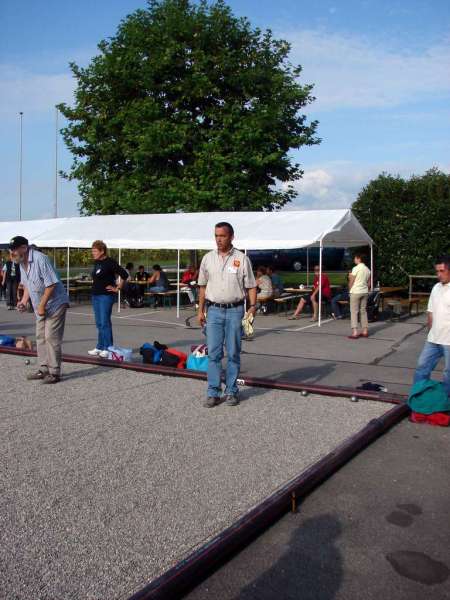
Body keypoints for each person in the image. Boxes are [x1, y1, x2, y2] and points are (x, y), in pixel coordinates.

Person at [197, 222, 257, 407]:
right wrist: (200, 310)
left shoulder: (242, 258)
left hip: (235, 311)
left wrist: (252, 307)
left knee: (233, 353)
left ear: (231, 236)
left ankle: (231, 391)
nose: (218, 239)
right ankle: (213, 392)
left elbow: (251, 285)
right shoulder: (207, 258)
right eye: (216, 235)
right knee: (214, 354)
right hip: (213, 311)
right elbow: (202, 286)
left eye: (222, 236)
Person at [11, 236, 69, 383]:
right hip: (40, 306)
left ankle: (54, 372)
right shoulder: (21, 262)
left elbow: (51, 284)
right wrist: (23, 301)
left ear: (24, 248)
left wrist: (42, 305)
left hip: (55, 304)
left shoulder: (40, 259)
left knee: (51, 337)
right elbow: (28, 285)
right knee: (40, 336)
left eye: (14, 250)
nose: (12, 253)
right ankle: (43, 369)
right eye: (11, 250)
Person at [414, 255, 450, 396]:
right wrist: (430, 333)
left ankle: (446, 403)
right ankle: (418, 396)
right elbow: (431, 312)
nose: (438, 275)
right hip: (433, 340)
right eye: (437, 271)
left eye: (442, 271)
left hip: (449, 342)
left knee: (448, 373)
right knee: (422, 367)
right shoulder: (436, 287)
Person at [88, 240, 129, 357]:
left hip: (105, 296)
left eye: (95, 251)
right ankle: (100, 346)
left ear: (102, 251)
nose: (93, 253)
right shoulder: (97, 262)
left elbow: (124, 275)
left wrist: (118, 288)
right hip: (95, 295)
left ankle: (108, 347)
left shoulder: (110, 262)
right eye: (93, 251)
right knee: (99, 322)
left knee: (105, 322)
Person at [348, 253, 371, 339]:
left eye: (355, 258)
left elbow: (352, 281)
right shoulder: (368, 269)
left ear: (358, 259)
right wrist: (367, 290)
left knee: (354, 311)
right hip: (364, 291)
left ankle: (355, 332)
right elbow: (369, 283)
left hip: (356, 291)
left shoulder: (355, 268)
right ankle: (365, 331)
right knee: (363, 311)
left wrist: (349, 290)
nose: (354, 260)